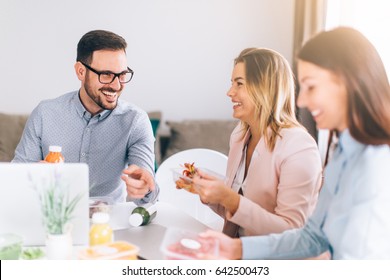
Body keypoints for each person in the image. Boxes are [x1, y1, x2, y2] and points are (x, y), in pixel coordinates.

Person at [199, 27, 390, 259]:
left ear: (349, 83)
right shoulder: (341, 154)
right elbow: (314, 237)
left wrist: (230, 202)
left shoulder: (375, 163)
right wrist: (237, 248)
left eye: (311, 86)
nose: (301, 100)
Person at [13, 30, 159, 204]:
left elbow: (148, 193)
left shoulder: (135, 121)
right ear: (81, 71)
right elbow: (15, 182)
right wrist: (32, 175)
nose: (116, 85)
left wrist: (144, 187)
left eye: (122, 75)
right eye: (106, 74)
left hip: (108, 223)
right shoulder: (45, 114)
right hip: (53, 218)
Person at [191, 48, 322, 237]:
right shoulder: (240, 135)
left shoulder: (298, 146)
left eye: (239, 84)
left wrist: (231, 199)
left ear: (265, 87)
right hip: (235, 250)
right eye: (232, 83)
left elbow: (291, 232)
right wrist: (210, 195)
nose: (230, 92)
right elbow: (238, 218)